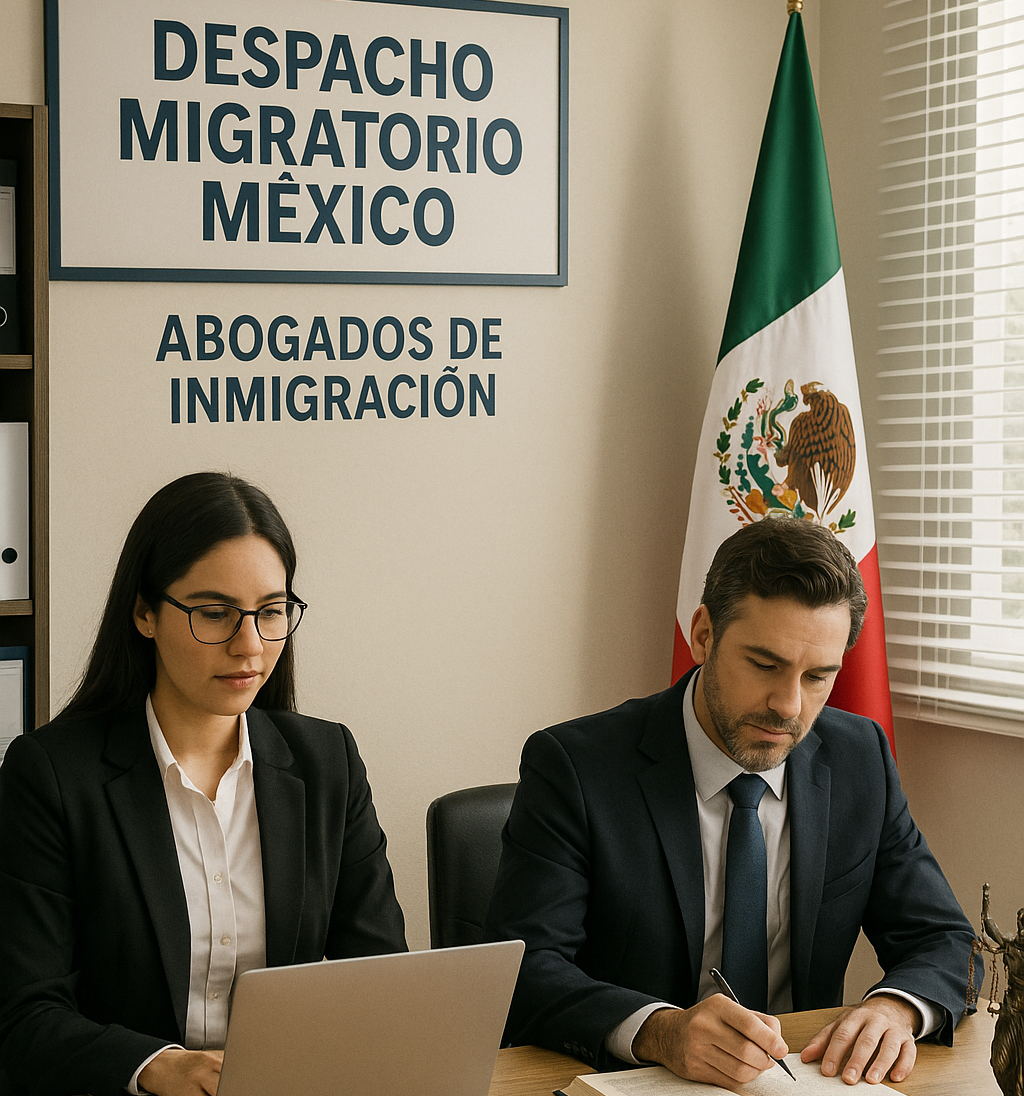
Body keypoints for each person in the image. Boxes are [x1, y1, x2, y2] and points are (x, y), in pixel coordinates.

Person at [485, 516, 978, 1089]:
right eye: (765, 665)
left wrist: (897, 1008)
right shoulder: (575, 766)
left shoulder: (858, 757)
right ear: (703, 634)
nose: (789, 706)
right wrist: (660, 1030)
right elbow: (522, 971)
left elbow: (945, 939)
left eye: (819, 676)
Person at [0, 472, 407, 1096]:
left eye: (271, 613)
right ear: (145, 612)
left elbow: (380, 981)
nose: (250, 645)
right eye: (215, 614)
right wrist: (157, 1066)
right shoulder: (52, 776)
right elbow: (23, 1017)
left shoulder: (328, 761)